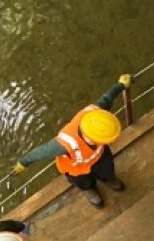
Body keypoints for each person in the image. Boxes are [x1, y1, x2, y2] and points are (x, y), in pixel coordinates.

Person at [13, 74, 131, 208]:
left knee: (107, 170)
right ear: (94, 138)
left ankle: (109, 179)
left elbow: (107, 98)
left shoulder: (96, 114)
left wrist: (121, 85)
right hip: (77, 169)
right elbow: (41, 152)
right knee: (84, 183)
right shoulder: (65, 144)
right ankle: (90, 190)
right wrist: (23, 163)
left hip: (100, 157)